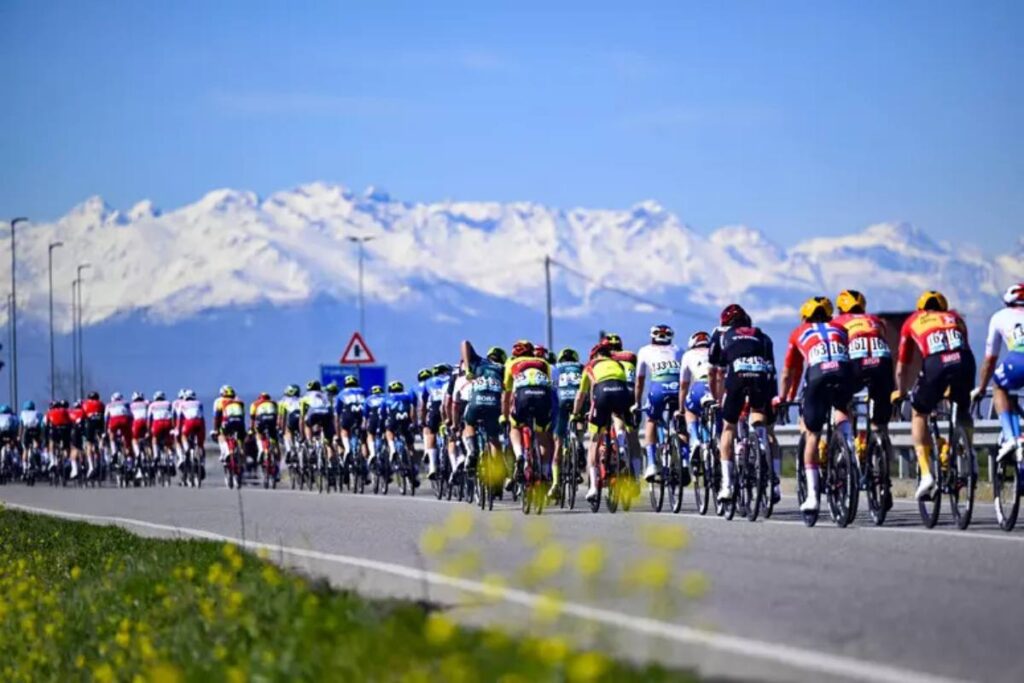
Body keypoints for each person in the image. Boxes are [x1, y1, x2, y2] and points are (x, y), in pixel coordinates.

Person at [895, 291, 976, 500]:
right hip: (965, 361)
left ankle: (925, 474)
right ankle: (970, 457)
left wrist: (902, 391)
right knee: (962, 407)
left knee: (919, 412)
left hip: (936, 364)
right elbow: (964, 346)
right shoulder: (955, 317)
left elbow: (902, 365)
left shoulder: (913, 321)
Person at [779, 297, 855, 513]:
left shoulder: (798, 332)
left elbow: (789, 373)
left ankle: (812, 496)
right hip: (844, 374)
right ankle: (847, 445)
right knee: (842, 408)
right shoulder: (840, 328)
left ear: (804, 317)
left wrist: (785, 397)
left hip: (818, 377)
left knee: (812, 434)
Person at [707, 304, 776, 503]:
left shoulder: (721, 335)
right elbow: (771, 369)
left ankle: (727, 485)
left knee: (728, 428)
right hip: (759, 376)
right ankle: (761, 444)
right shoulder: (761, 335)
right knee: (757, 412)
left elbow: (716, 371)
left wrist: (718, 399)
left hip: (736, 377)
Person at [833, 289, 896, 485]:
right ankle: (884, 472)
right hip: (882, 365)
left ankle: (849, 448)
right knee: (880, 423)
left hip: (856, 365)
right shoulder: (875, 320)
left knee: (842, 403)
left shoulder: (837, 323)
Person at [573, 339, 632, 503]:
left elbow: (581, 395)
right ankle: (620, 442)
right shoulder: (618, 364)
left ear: (594, 356)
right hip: (621, 390)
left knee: (594, 440)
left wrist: (575, 414)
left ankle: (592, 487)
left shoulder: (590, 366)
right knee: (618, 416)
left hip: (602, 392)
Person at [974, 284, 1024, 462]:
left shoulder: (1000, 317)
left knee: (999, 386)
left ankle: (1010, 438)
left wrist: (981, 387)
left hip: (1019, 358)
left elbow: (990, 360)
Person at [503, 339, 554, 486]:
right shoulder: (543, 363)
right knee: (543, 434)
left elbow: (506, 395)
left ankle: (519, 455)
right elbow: (549, 385)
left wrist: (505, 416)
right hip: (542, 395)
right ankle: (545, 472)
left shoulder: (511, 364)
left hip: (523, 395)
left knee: (514, 427)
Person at [636, 324, 683, 483]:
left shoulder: (644, 351)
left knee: (651, 420)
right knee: (680, 419)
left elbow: (640, 381)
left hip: (658, 389)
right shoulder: (679, 350)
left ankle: (651, 463)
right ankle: (684, 460)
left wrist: (637, 402)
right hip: (677, 389)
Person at [460, 343, 507, 484]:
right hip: (494, 404)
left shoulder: (479, 362)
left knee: (468, 423)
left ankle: (473, 450)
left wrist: (468, 368)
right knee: (493, 439)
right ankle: (496, 476)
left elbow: (465, 343)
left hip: (476, 402)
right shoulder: (503, 369)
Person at [604, 333, 642, 478]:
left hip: (616, 391)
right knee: (633, 436)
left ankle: (619, 439)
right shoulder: (630, 357)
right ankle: (637, 476)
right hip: (632, 392)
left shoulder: (605, 360)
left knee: (616, 414)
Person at [676, 331, 712, 485]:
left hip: (699, 386)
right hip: (717, 387)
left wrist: (681, 409)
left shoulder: (688, 355)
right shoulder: (716, 350)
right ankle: (714, 444)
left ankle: (695, 440)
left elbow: (684, 385)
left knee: (690, 410)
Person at [552, 348, 583, 497]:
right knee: (579, 420)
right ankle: (579, 443)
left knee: (558, 442)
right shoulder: (581, 367)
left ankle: (556, 483)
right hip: (578, 400)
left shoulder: (556, 368)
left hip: (562, 401)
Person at [384, 380, 419, 487]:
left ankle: (392, 448)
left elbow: (384, 415)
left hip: (393, 421)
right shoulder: (408, 395)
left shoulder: (387, 398)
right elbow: (413, 410)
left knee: (389, 431)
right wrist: (414, 423)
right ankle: (412, 463)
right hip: (406, 422)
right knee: (410, 446)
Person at [422, 364, 452, 480]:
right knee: (452, 431)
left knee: (431, 433)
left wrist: (424, 420)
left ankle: (433, 467)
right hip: (448, 406)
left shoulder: (428, 382)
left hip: (434, 408)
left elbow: (423, 403)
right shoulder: (451, 378)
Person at [299, 381, 334, 460]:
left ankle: (310, 444)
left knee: (307, 424)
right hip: (326, 415)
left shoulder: (304, 398)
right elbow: (331, 412)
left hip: (313, 415)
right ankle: (330, 462)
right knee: (328, 442)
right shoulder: (326, 396)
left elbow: (301, 417)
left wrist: (302, 436)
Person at [212, 386, 246, 462]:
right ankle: (242, 451)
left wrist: (216, 429)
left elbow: (216, 417)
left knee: (221, 435)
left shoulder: (220, 401)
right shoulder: (240, 401)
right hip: (240, 423)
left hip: (228, 423)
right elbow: (243, 416)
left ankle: (226, 452)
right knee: (241, 438)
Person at [250, 392, 280, 477]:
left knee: (258, 434)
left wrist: (251, 429)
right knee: (274, 441)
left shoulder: (255, 404)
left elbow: (252, 419)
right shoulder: (274, 403)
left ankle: (261, 450)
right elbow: (278, 416)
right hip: (272, 422)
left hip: (261, 422)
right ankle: (277, 463)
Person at [176, 389, 206, 470]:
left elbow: (179, 419)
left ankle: (187, 449)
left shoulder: (182, 404)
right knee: (200, 445)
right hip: (199, 423)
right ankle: (202, 463)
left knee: (183, 436)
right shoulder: (199, 403)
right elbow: (202, 416)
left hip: (188, 423)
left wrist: (178, 430)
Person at [81, 391, 105, 478]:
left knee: (89, 444)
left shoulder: (85, 404)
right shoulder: (101, 404)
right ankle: (101, 457)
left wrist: (82, 431)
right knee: (100, 441)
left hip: (90, 424)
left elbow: (82, 418)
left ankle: (91, 467)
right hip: (100, 423)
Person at [147, 391, 176, 466]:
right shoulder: (168, 403)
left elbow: (149, 419)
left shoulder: (152, 405)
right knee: (169, 443)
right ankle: (171, 460)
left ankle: (156, 456)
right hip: (168, 423)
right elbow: (173, 415)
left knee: (154, 439)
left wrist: (148, 430)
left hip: (157, 424)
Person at [104, 392, 133, 466]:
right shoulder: (126, 403)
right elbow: (131, 415)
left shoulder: (109, 404)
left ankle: (114, 453)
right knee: (127, 441)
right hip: (125, 420)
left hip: (114, 420)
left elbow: (106, 418)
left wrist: (106, 428)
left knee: (112, 436)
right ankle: (129, 464)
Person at [364, 385, 388, 471]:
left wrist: (364, 426)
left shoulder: (368, 399)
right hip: (384, 419)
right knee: (388, 434)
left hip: (373, 418)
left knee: (370, 434)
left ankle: (372, 452)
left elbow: (365, 415)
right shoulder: (386, 397)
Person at [277, 385, 302, 463]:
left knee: (287, 431)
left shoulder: (282, 401)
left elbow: (281, 418)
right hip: (301, 418)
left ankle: (289, 449)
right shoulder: (302, 399)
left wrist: (281, 429)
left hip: (292, 418)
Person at [19, 400, 43, 472]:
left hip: (26, 431)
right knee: (36, 445)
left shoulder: (22, 414)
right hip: (36, 431)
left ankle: (24, 467)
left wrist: (19, 436)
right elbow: (41, 425)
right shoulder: (38, 413)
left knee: (25, 449)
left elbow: (21, 426)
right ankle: (35, 454)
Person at [129, 392, 149, 459]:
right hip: (146, 422)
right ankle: (150, 456)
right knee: (148, 439)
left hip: (136, 423)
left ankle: (137, 454)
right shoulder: (146, 403)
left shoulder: (131, 405)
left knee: (134, 439)